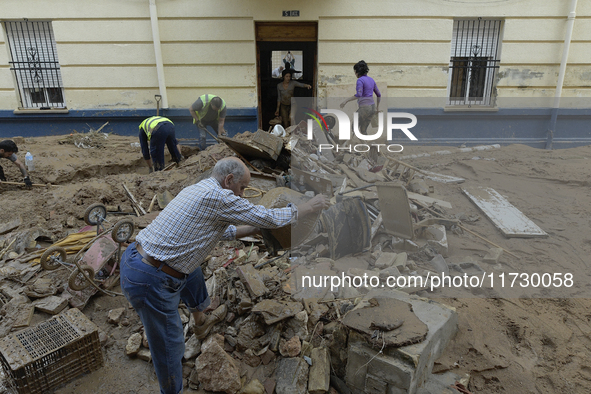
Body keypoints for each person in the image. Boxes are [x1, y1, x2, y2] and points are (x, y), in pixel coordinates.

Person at [119, 157, 329, 394]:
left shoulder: (198, 189)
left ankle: (199, 322)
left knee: (193, 269)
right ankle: (172, 391)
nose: (241, 195)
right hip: (149, 279)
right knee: (168, 345)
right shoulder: (220, 196)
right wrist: (308, 207)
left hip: (138, 259)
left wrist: (255, 228)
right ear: (229, 180)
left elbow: (222, 231)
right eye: (241, 188)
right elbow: (266, 216)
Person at [340, 60, 381, 135]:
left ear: (358, 72)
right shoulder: (371, 80)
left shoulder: (360, 80)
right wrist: (377, 108)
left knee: (354, 128)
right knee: (363, 130)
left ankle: (352, 144)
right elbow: (379, 94)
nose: (355, 74)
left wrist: (346, 101)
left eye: (355, 72)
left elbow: (359, 94)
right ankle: (366, 146)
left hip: (364, 108)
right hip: (372, 108)